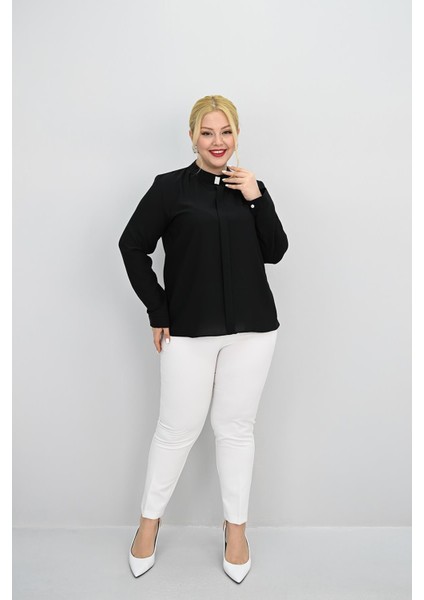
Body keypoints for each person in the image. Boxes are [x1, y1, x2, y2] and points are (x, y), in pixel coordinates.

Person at [118, 94, 289, 583]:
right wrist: (158, 309)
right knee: (176, 430)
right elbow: (132, 245)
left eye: (226, 132)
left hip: (253, 331)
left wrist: (256, 197)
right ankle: (148, 525)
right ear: (192, 136)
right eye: (208, 133)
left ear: (237, 135)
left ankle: (236, 531)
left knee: (235, 429)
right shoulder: (169, 189)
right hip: (188, 332)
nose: (218, 142)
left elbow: (275, 251)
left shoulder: (250, 188)